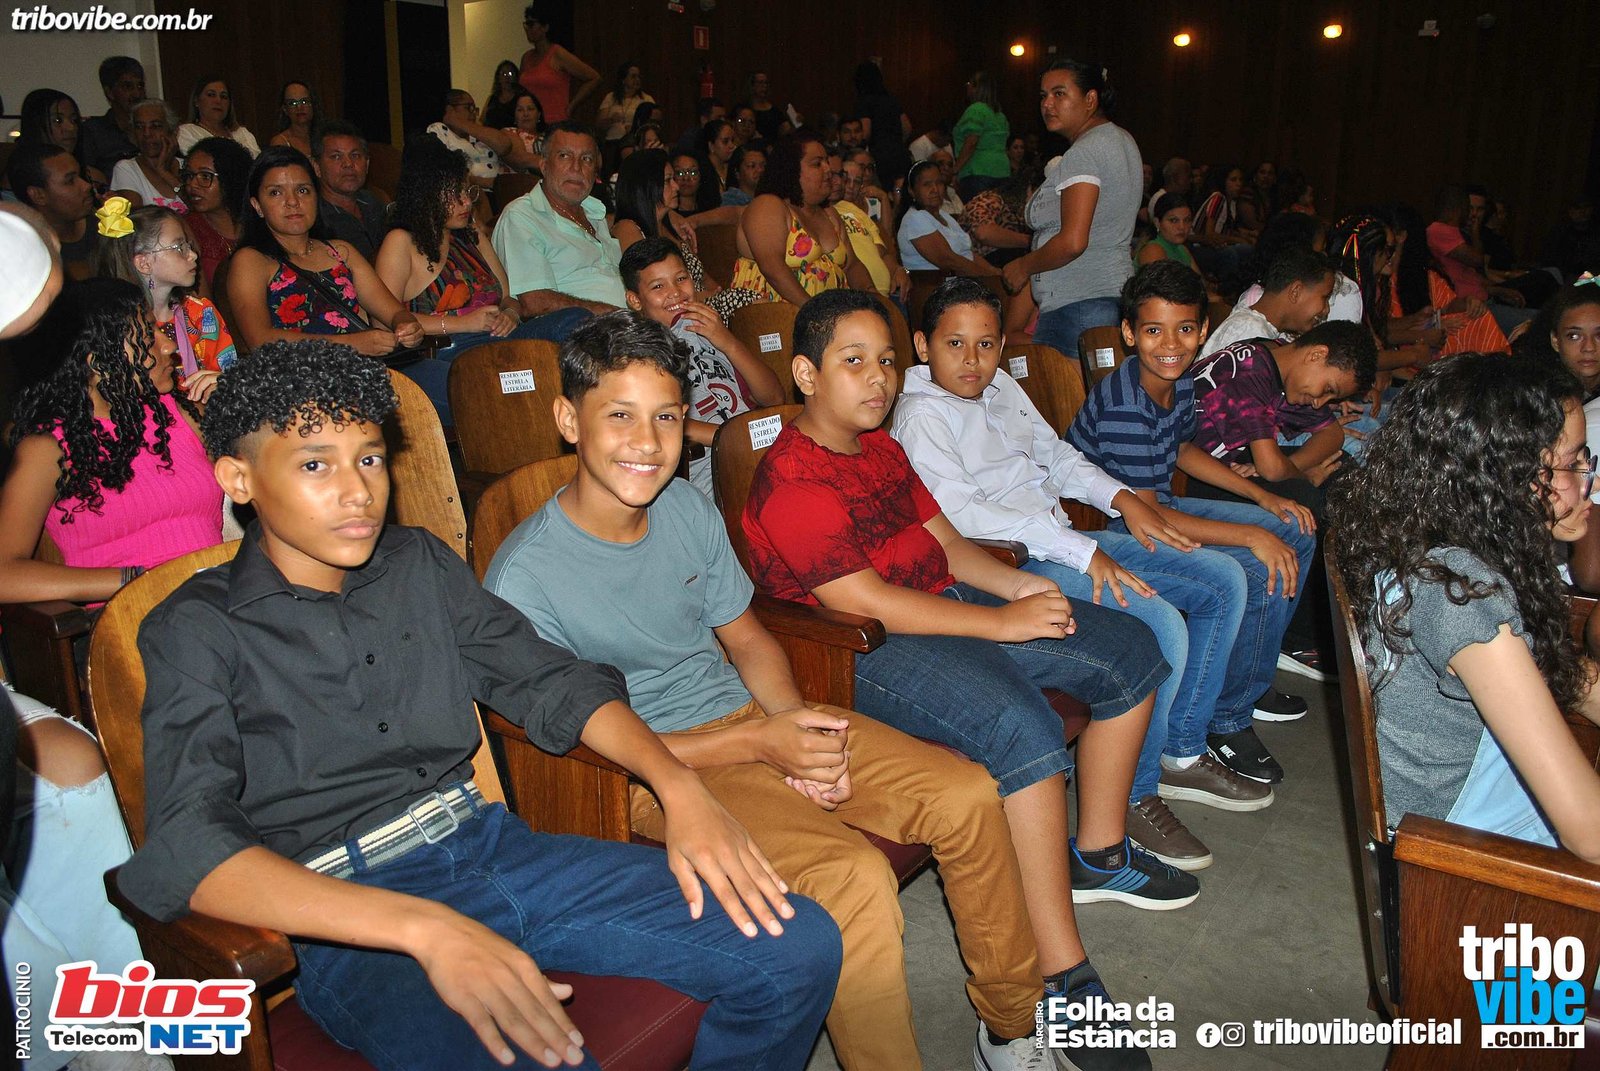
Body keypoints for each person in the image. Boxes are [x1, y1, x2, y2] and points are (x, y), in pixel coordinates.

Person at [121, 338, 843, 1071]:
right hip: (344, 910)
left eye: (369, 458)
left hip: (491, 846)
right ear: (238, 478)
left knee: (799, 947)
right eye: (315, 464)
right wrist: (425, 928)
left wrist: (678, 784)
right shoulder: (195, 629)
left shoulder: (416, 563)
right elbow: (189, 848)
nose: (357, 490)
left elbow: (552, 679)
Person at [486, 309, 1053, 1071]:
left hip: (752, 716)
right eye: (619, 415)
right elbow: (592, 744)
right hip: (654, 770)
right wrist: (760, 740)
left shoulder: (683, 507)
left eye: (666, 417)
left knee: (968, 794)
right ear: (568, 420)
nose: (647, 442)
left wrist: (796, 730)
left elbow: (748, 638)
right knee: (851, 878)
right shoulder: (526, 576)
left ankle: (1011, 1026)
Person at [744, 287, 1186, 1071]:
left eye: (886, 361)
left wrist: (1021, 589)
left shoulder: (881, 449)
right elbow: (865, 601)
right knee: (1023, 724)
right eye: (853, 361)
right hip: (860, 651)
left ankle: (1096, 850)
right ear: (806, 374)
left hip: (940, 604)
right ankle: (1060, 974)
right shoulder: (793, 478)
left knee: (1127, 649)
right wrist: (1001, 623)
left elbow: (946, 545)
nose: (878, 378)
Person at [895, 276, 1288, 873]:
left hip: (1062, 538)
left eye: (986, 344)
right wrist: (1082, 553)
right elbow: (966, 518)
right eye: (955, 344)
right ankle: (1133, 795)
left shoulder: (998, 386)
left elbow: (1057, 456)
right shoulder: (922, 415)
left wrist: (1123, 498)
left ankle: (1180, 752)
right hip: (1010, 563)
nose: (972, 360)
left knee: (1221, 582)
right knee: (1158, 623)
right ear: (924, 345)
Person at [1328, 354, 1600, 860]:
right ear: (1505, 474)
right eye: (1572, 464)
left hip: (1466, 831)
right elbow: (1590, 832)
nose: (1591, 480)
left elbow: (1561, 672)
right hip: (1466, 859)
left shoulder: (1434, 544)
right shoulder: (1462, 593)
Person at [1068, 260, 1323, 778]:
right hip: (1111, 525)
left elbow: (1183, 449)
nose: (1171, 344)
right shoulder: (1125, 404)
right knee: (1252, 561)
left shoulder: (1179, 380)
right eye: (1154, 331)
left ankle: (1242, 689)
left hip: (1158, 506)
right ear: (1129, 333)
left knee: (1292, 528)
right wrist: (1250, 534)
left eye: (1184, 329)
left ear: (1203, 330)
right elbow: (1147, 515)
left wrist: (1261, 497)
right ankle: (1212, 725)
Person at [0, 278, 220, 607]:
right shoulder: (49, 447)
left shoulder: (185, 414)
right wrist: (140, 579)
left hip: (219, 601)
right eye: (148, 335)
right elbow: (5, 574)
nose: (169, 346)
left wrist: (238, 401)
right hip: (132, 614)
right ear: (97, 360)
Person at [225, 146, 450, 419]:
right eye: (276, 192)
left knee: (465, 381)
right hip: (304, 385)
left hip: (372, 370)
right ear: (257, 206)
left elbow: (393, 311)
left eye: (303, 190)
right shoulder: (251, 260)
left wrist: (406, 325)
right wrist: (353, 345)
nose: (292, 202)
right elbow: (260, 342)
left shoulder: (341, 251)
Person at [376, 136, 579, 375]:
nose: (466, 202)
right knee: (519, 368)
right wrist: (463, 323)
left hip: (501, 338)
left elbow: (508, 298)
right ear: (427, 196)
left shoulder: (471, 235)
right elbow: (383, 322)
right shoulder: (401, 241)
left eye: (467, 191)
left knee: (575, 319)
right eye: (454, 194)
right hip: (448, 349)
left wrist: (510, 315)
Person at [618, 239, 783, 495]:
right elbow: (660, 420)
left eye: (681, 279)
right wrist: (735, 437)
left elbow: (774, 397)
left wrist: (728, 342)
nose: (675, 292)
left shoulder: (709, 327)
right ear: (635, 300)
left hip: (755, 449)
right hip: (708, 469)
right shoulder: (640, 352)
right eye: (658, 286)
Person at [1003, 60, 1142, 357]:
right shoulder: (1122, 139)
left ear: (1090, 99)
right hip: (1109, 297)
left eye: (1059, 94)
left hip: (1077, 305)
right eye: (1043, 96)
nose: (1047, 104)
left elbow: (1073, 241)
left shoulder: (1085, 151)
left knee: (1068, 390)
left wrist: (1023, 266)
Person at [491, 122, 627, 325]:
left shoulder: (595, 214)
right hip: (577, 333)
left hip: (626, 325)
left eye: (586, 159)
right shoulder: (522, 216)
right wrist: (611, 313)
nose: (576, 167)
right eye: (564, 156)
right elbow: (533, 302)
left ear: (595, 172)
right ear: (544, 165)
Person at [96, 200, 236, 393]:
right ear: (144, 263)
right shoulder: (119, 327)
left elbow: (228, 375)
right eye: (179, 247)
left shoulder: (201, 314)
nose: (193, 255)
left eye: (188, 245)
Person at [727, 133, 871, 306]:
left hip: (830, 315)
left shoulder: (829, 214)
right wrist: (813, 311)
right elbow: (772, 269)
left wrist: (874, 296)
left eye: (826, 161)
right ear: (791, 170)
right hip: (774, 314)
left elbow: (853, 266)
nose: (828, 169)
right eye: (817, 163)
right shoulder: (768, 206)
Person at [1427, 184, 1536, 335]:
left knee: (1541, 312)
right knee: (1538, 324)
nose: (1472, 214)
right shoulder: (1438, 230)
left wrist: (1500, 290)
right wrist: (1475, 231)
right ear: (1459, 207)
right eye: (1469, 208)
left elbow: (1474, 275)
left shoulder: (1457, 232)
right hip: (1470, 308)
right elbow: (1477, 260)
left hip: (1484, 300)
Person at [1202, 246, 1334, 356]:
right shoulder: (1251, 334)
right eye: (1325, 297)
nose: (1326, 310)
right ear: (1295, 292)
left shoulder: (1260, 329)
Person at [8, 143, 98, 281]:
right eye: (70, 181)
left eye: (81, 176)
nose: (86, 185)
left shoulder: (106, 225)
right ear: (38, 195)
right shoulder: (24, 252)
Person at [896, 160, 999, 278]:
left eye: (939, 182)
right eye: (927, 184)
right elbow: (949, 261)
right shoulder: (914, 218)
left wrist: (993, 271)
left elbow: (968, 254)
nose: (935, 189)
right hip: (937, 285)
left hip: (966, 280)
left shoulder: (944, 216)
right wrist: (989, 277)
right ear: (912, 191)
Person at [182, 135, 253, 292]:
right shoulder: (186, 228)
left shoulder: (257, 220)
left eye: (205, 176)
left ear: (231, 178)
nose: (192, 184)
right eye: (189, 175)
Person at [312, 120, 388, 262]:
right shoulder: (314, 219)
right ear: (316, 166)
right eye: (336, 157)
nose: (348, 164)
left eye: (355, 155)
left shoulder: (373, 202)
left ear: (367, 164)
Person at [837, 157, 911, 302]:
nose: (851, 186)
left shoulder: (859, 214)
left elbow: (882, 252)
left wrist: (897, 270)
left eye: (857, 182)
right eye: (846, 180)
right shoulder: (828, 211)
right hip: (856, 296)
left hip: (885, 294)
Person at [518, 2, 600, 123]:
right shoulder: (526, 57)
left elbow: (594, 78)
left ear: (545, 27)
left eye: (531, 24)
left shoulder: (557, 54)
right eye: (526, 24)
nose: (527, 29)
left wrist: (570, 107)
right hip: (531, 124)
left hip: (554, 121)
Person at [18, 88, 108, 194]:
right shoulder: (18, 178)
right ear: (35, 125)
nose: (71, 128)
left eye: (74, 120)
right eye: (58, 120)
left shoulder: (93, 177)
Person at [109, 99, 185, 211]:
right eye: (139, 127)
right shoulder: (126, 168)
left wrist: (164, 173)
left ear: (173, 131)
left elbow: (198, 208)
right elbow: (137, 216)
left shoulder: (188, 166)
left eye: (155, 126)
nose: (147, 133)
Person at [78, 56, 144, 178]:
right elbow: (85, 173)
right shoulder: (93, 131)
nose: (137, 94)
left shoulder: (153, 128)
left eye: (140, 86)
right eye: (128, 86)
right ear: (109, 92)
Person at [951, 72, 1010, 202]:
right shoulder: (1000, 115)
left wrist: (955, 169)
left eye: (969, 84)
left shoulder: (975, 110)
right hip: (1002, 171)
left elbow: (971, 142)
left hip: (977, 171)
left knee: (977, 211)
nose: (967, 87)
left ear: (976, 88)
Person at [851, 61, 911, 187]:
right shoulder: (891, 99)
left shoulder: (864, 102)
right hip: (900, 153)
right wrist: (896, 143)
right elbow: (907, 128)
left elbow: (866, 132)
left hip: (880, 156)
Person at [177, 76, 260, 158]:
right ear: (196, 101)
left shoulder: (243, 134)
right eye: (211, 95)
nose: (218, 101)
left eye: (223, 96)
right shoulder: (187, 132)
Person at [595, 62, 653, 155]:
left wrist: (635, 128)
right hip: (612, 144)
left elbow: (653, 124)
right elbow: (598, 125)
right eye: (633, 76)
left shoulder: (646, 99)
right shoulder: (611, 97)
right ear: (623, 79)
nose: (637, 80)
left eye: (639, 77)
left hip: (635, 145)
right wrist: (611, 120)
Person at [1136, 193, 1198, 272]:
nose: (1182, 227)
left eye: (1187, 220)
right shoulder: (1152, 250)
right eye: (1174, 220)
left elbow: (1199, 279)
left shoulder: (1182, 250)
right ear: (1157, 223)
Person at [694, 119, 739, 214]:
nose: (732, 146)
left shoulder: (735, 167)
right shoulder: (701, 171)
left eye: (732, 141)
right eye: (725, 141)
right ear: (711, 146)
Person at [268, 80, 319, 157]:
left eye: (304, 101)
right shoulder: (280, 142)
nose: (299, 107)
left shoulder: (324, 137)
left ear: (313, 104)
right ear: (285, 109)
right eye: (292, 103)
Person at [746, 71, 792, 145]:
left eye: (766, 83)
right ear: (753, 86)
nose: (764, 86)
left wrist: (795, 122)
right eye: (760, 82)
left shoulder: (774, 111)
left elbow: (785, 129)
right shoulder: (745, 108)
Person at [481, 59, 523, 129]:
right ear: (498, 78)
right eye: (503, 74)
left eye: (510, 74)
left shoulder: (521, 99)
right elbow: (482, 120)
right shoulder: (492, 99)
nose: (507, 77)